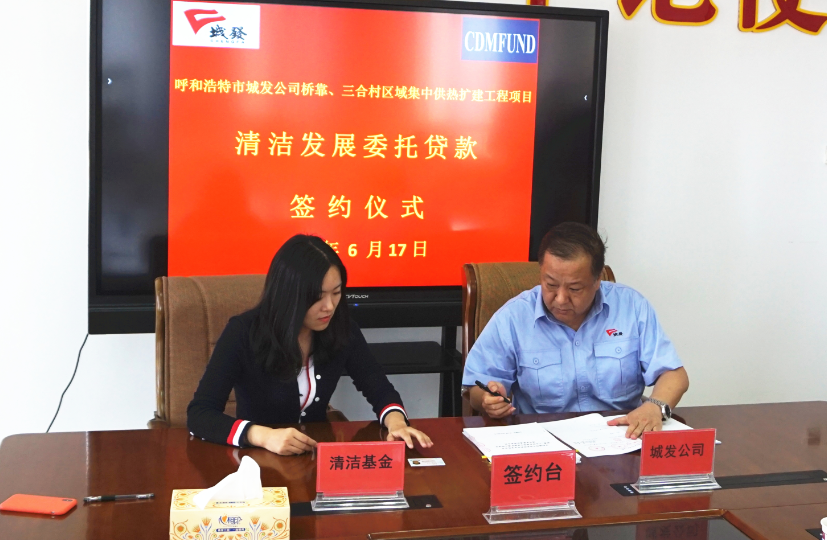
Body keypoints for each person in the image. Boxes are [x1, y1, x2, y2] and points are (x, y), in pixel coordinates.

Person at [188, 234, 433, 455]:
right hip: (259, 461)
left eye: (336, 293)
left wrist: (396, 423)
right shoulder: (243, 332)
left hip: (315, 458)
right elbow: (200, 414)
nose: (329, 306)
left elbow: (378, 387)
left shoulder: (342, 328)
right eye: (317, 297)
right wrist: (263, 436)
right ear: (289, 296)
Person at [462, 222, 688, 439]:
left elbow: (674, 375)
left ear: (597, 280)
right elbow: (476, 387)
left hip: (620, 437)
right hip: (542, 442)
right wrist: (488, 399)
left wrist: (655, 407)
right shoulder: (513, 317)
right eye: (550, 285)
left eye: (575, 288)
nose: (561, 299)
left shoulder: (631, 307)